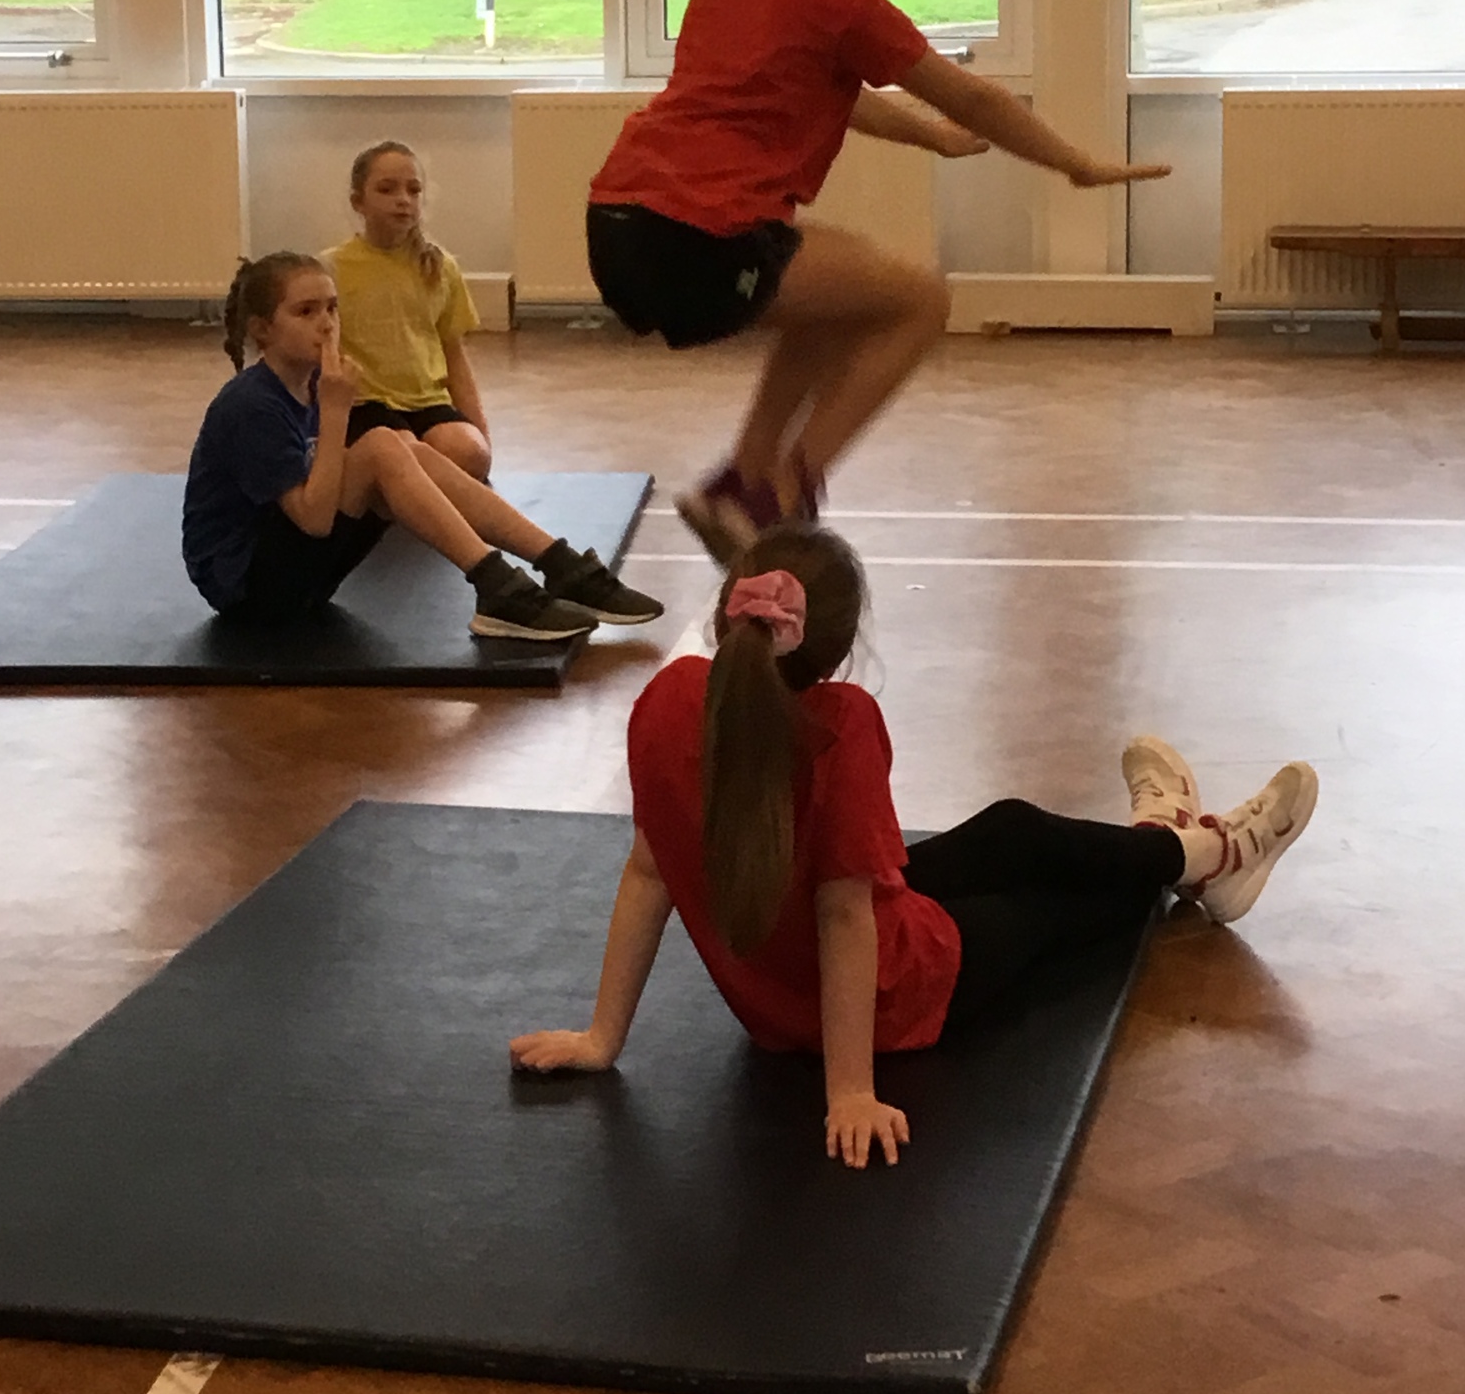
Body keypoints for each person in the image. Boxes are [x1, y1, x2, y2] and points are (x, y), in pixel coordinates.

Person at [588, 0, 1171, 561]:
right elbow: (971, 92)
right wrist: (1075, 162)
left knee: (839, 290)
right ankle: (780, 493)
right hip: (697, 238)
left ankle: (743, 482)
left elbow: (828, 95)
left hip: (621, 221)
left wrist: (931, 141)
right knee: (919, 301)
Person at [510, 526, 1318, 1167]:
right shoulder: (842, 723)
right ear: (839, 648)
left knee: (1012, 827)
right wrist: (850, 1093)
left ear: (727, 613)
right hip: (905, 992)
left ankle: (1168, 841)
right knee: (1059, 904)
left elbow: (648, 871)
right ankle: (1209, 858)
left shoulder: (664, 699)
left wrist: (602, 1037)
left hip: (786, 994)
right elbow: (844, 919)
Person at [182, 251, 663, 639]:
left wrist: (337, 411)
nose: (326, 324)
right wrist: (335, 412)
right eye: (306, 311)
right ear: (261, 329)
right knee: (380, 447)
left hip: (299, 571)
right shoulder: (251, 404)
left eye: (332, 308)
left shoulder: (315, 382)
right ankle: (496, 586)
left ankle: (560, 564)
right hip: (249, 591)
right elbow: (314, 518)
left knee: (400, 445)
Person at [323, 139, 492, 481]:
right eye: (387, 189)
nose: (403, 200)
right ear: (358, 202)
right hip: (367, 404)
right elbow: (321, 354)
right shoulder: (332, 268)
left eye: (413, 190)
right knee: (403, 455)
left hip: (428, 402)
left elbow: (454, 355)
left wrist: (481, 434)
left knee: (470, 453)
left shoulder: (440, 267)